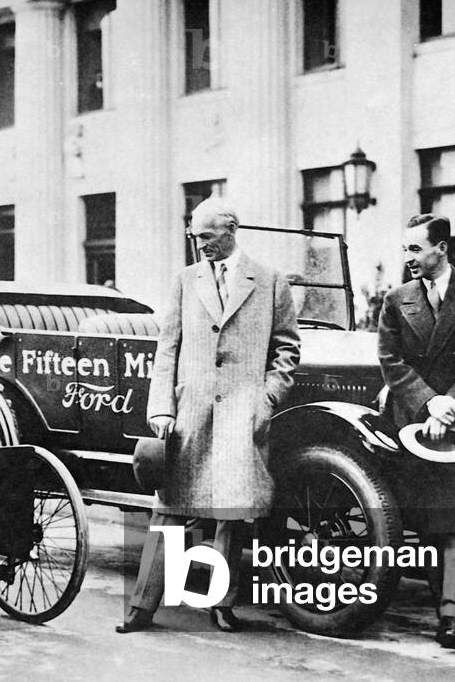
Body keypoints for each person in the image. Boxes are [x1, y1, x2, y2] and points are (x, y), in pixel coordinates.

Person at [116, 196, 300, 633]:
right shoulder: (185, 280)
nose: (200, 245)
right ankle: (142, 606)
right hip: (191, 411)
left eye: (207, 236)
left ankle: (221, 604)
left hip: (242, 412)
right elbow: (168, 348)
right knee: (170, 509)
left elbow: (287, 349)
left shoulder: (271, 281)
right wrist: (161, 407)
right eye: (194, 237)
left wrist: (265, 398)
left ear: (232, 229)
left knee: (230, 516)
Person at [377, 213, 455, 649]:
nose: (408, 257)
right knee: (431, 519)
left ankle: (453, 616)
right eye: (405, 249)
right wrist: (430, 402)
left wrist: (451, 402)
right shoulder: (397, 300)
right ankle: (442, 603)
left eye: (415, 248)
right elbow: (391, 361)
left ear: (442, 248)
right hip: (416, 421)